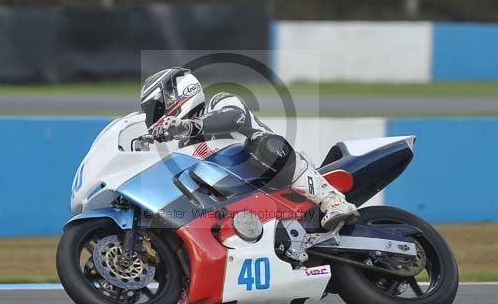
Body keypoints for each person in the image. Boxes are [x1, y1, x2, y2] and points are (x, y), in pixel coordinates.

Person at [139, 67, 359, 231]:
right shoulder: (186, 146)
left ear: (176, 95)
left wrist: (189, 125)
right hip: (243, 199)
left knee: (266, 145)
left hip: (277, 175)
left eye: (157, 108)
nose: (156, 118)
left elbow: (235, 117)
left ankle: (334, 201)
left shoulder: (219, 101)